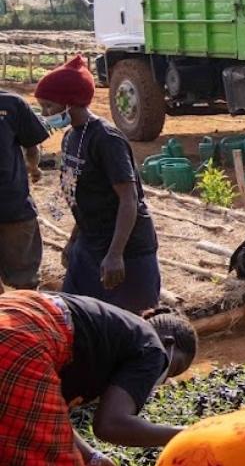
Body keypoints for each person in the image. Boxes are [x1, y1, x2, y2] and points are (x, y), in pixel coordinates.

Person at [0, 291, 195, 466]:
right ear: (168, 346)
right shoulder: (152, 348)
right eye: (172, 368)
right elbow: (110, 425)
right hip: (20, 342)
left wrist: (92, 457)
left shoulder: (110, 335)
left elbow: (51, 416)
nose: (162, 378)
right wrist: (192, 434)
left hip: (12, 322)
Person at [40, 56, 162, 312]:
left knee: (130, 324)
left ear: (69, 102)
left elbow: (129, 199)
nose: (45, 114)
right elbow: (83, 199)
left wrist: (116, 254)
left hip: (126, 249)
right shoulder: (71, 138)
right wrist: (73, 242)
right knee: (79, 316)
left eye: (49, 106)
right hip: (91, 244)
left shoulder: (106, 139)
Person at [0, 85, 48, 290]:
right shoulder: (12, 103)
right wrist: (34, 167)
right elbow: (32, 147)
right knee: (25, 282)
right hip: (14, 207)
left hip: (13, 208)